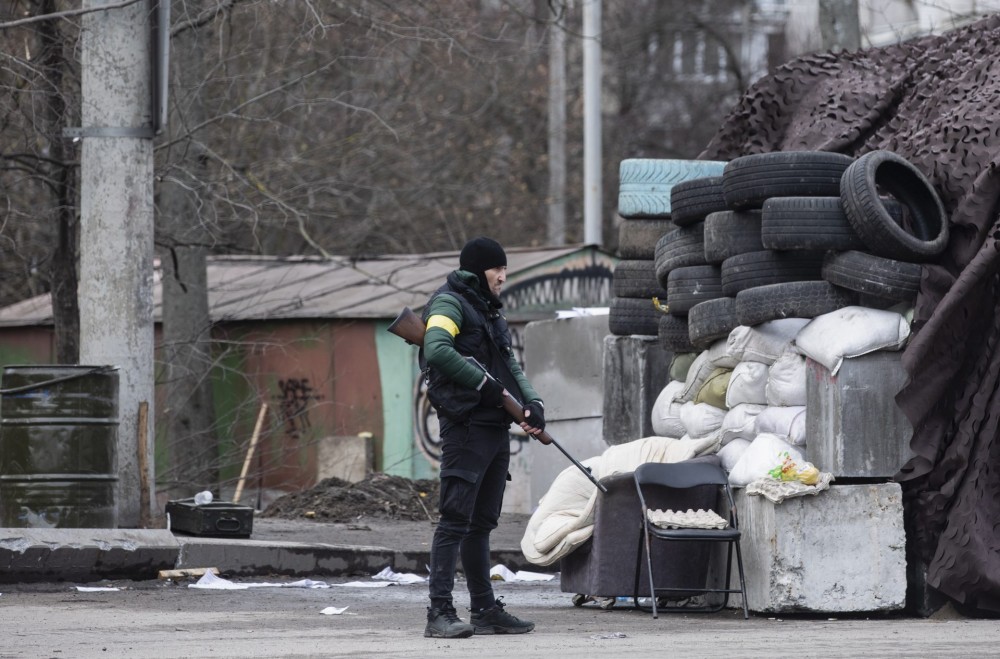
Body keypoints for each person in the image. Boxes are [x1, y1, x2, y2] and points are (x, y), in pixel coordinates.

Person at [420, 236, 545, 639]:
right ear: (479, 270)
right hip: (465, 426)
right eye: (498, 269)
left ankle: (485, 610)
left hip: (493, 429)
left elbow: (510, 364)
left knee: (481, 524)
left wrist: (532, 402)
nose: (504, 277)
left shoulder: (490, 313)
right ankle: (439, 613)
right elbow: (436, 349)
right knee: (454, 520)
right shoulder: (449, 303)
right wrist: (483, 384)